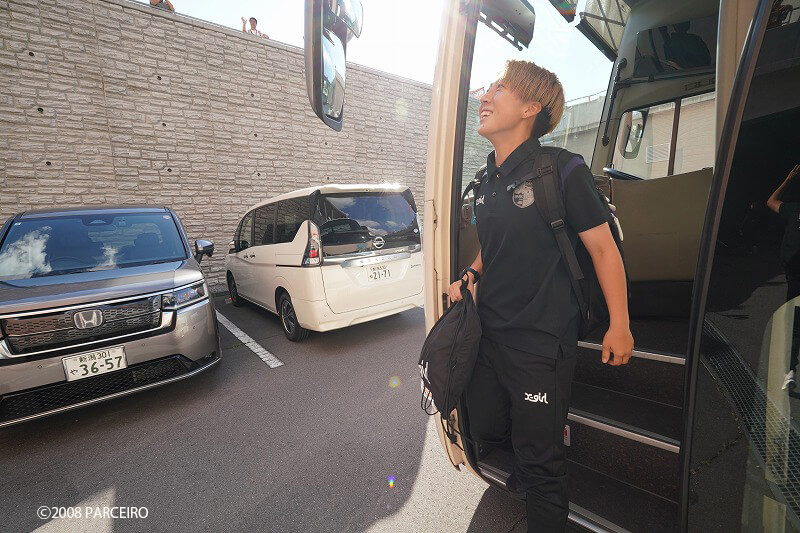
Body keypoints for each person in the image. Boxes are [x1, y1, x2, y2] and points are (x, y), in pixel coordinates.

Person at [447, 60, 633, 533]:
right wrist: (470, 273)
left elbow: (604, 249)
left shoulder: (561, 169)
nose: (485, 96)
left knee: (540, 462)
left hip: (541, 343)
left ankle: (540, 486)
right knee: (482, 426)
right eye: (488, 88)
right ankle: (528, 463)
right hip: (489, 334)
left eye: (500, 88)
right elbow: (492, 243)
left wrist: (620, 324)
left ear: (531, 108)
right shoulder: (486, 178)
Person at [767, 163, 800, 390]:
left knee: (794, 323)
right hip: (795, 276)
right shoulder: (794, 209)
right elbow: (771, 202)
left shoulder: (794, 210)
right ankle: (789, 369)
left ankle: (789, 370)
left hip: (794, 277)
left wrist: (788, 180)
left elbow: (770, 201)